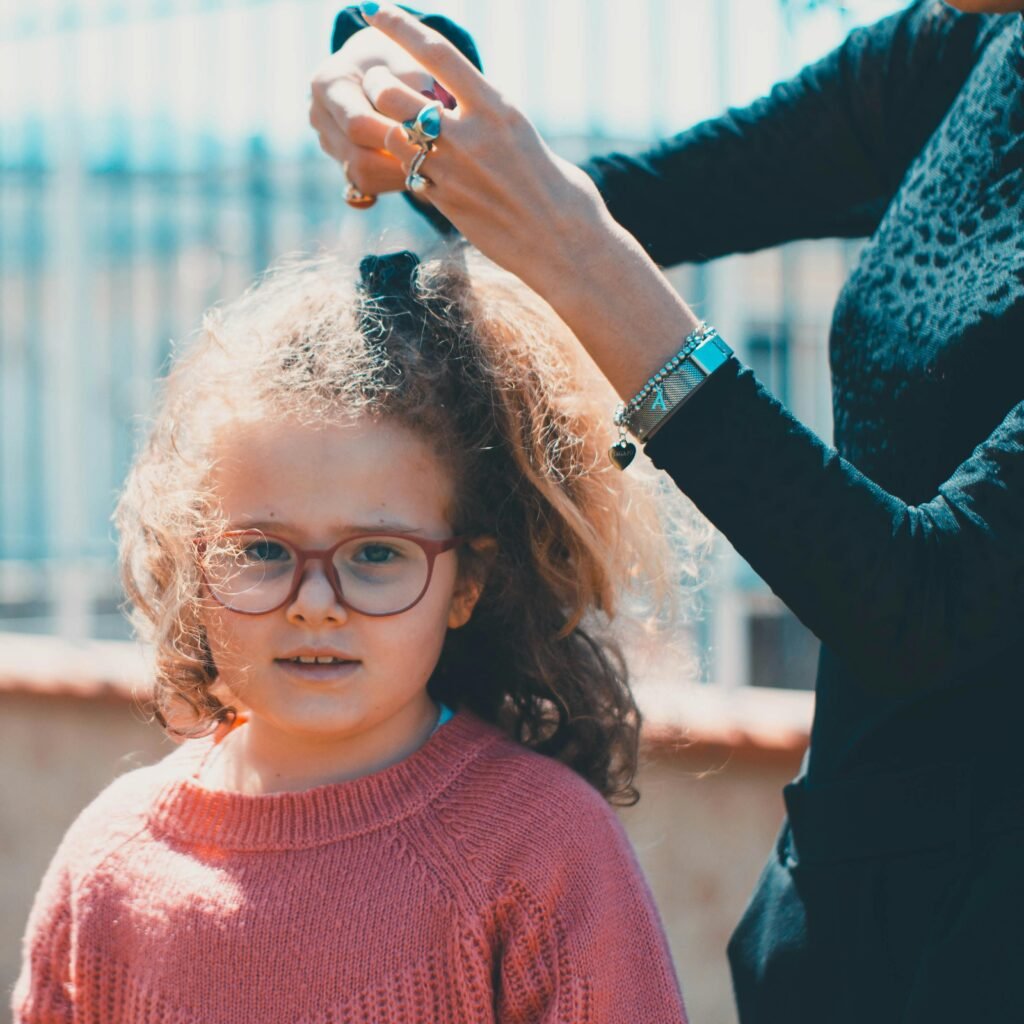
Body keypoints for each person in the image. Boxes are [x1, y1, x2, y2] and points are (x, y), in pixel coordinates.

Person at [309, 2, 1024, 1022]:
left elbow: (929, 605)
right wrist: (412, 92)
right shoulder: (970, 46)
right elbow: (607, 211)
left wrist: (579, 258)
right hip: (849, 909)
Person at [12, 248, 701, 1022]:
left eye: (376, 554)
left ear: (465, 584)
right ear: (192, 561)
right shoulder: (108, 865)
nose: (315, 604)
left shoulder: (542, 851)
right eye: (263, 550)